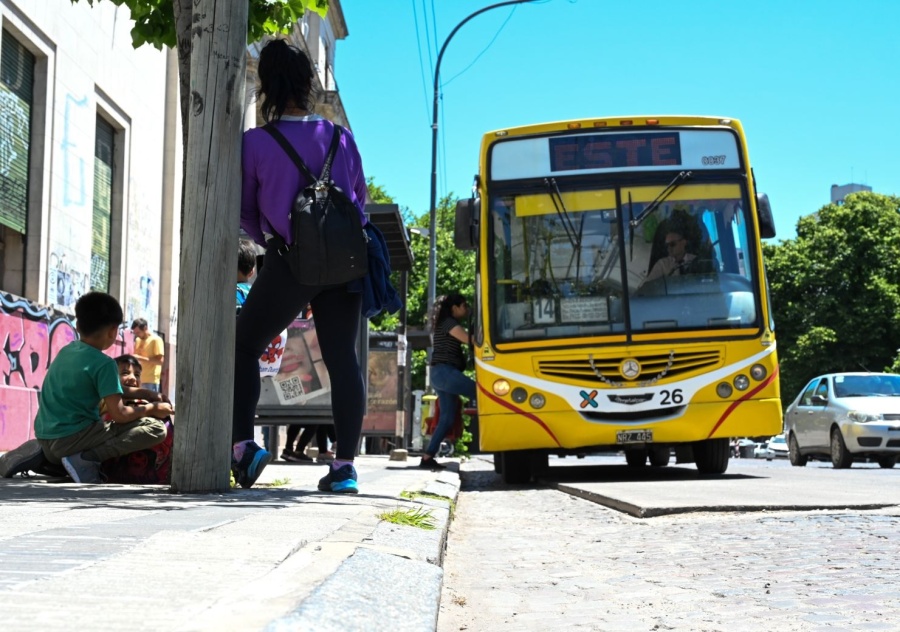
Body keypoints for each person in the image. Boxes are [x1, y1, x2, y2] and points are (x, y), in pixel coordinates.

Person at [235, 38, 368, 492]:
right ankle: (345, 468)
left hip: (288, 262)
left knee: (243, 345)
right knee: (342, 360)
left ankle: (243, 448)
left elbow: (246, 213)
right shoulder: (341, 138)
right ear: (309, 85)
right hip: (345, 264)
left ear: (268, 85)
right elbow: (359, 204)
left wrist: (276, 243)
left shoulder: (255, 143)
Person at [34, 292, 174, 483]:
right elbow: (120, 415)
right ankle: (85, 460)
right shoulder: (104, 363)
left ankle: (40, 455)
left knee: (87, 432)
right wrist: (152, 408)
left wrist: (147, 394)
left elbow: (112, 389)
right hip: (70, 442)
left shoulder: (67, 351)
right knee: (156, 429)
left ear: (78, 325)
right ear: (113, 331)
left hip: (45, 438)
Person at [422, 294, 477, 470]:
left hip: (440, 374)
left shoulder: (443, 322)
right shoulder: (449, 323)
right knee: (483, 392)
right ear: (454, 307)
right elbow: (472, 341)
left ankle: (427, 456)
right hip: (445, 372)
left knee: (446, 418)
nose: (466, 309)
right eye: (464, 306)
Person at [131, 317, 165, 392]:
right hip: (139, 378)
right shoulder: (138, 340)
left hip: (151, 380)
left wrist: (140, 358)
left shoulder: (156, 340)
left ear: (145, 328)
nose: (137, 335)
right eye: (135, 333)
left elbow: (160, 361)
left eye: (138, 332)